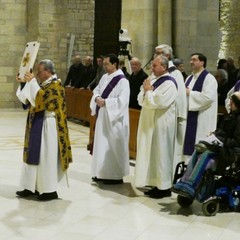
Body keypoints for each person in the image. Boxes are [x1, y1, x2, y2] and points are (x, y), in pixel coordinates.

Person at [16, 59, 73, 200]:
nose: (37, 74)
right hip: (37, 123)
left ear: (48, 71)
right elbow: (28, 100)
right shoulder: (43, 84)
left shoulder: (56, 86)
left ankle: (48, 190)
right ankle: (32, 186)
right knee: (34, 155)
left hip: (49, 126)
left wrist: (32, 82)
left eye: (39, 71)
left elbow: (43, 102)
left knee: (46, 157)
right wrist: (24, 83)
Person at [172, 91, 240, 199]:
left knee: (206, 154)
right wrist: (214, 135)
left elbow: (237, 141)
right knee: (199, 149)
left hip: (231, 152)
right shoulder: (232, 116)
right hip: (222, 147)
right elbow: (222, 131)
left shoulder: (238, 119)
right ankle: (184, 182)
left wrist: (220, 139)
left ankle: (191, 185)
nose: (230, 103)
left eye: (232, 102)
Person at [134, 55, 178, 199]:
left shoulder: (170, 83)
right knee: (152, 154)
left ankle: (164, 187)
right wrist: (147, 92)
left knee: (161, 154)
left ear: (164, 67)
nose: (151, 68)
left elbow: (160, 102)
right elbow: (140, 98)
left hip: (162, 124)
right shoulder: (152, 79)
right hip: (149, 122)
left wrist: (148, 92)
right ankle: (154, 183)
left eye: (154, 65)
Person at [90, 53, 130, 184]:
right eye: (104, 63)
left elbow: (123, 101)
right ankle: (100, 172)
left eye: (107, 64)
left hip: (115, 119)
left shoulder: (122, 81)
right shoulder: (104, 77)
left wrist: (106, 102)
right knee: (101, 144)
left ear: (115, 64)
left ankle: (114, 175)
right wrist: (96, 98)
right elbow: (96, 90)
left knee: (112, 145)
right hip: (103, 116)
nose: (104, 66)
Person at [155, 44, 187, 173]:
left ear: (167, 56)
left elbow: (179, 96)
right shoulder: (159, 72)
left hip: (170, 116)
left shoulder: (175, 73)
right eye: (155, 53)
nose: (156, 55)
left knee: (167, 149)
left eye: (159, 53)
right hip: (158, 114)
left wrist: (178, 116)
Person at [183, 53, 218, 162]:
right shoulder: (189, 78)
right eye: (190, 60)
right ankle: (185, 169)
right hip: (189, 116)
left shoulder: (209, 79)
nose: (191, 62)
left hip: (202, 118)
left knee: (199, 144)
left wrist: (190, 93)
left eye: (194, 60)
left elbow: (208, 98)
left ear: (202, 62)